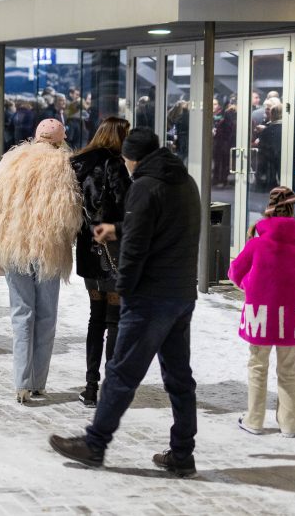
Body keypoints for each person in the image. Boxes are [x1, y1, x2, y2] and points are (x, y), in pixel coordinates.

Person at [50, 128, 202, 478]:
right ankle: (183, 454)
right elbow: (158, 227)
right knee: (180, 379)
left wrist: (126, 290)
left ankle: (95, 444)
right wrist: (117, 229)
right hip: (181, 295)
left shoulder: (144, 187)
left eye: (126, 160)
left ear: (133, 158)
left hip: (149, 298)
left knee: (120, 374)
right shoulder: (184, 182)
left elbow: (135, 250)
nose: (126, 165)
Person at [0, 119, 80, 403]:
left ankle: (21, 383)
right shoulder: (63, 164)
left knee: (21, 313)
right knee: (46, 315)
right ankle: (38, 382)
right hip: (48, 249)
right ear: (60, 140)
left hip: (14, 246)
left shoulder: (11, 162)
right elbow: (70, 213)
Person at [229, 186, 295, 438]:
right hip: (291, 318)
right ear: (293, 211)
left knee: (258, 366)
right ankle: (290, 424)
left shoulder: (257, 244)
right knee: (288, 370)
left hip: (260, 315)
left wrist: (249, 285)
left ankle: (254, 419)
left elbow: (234, 272)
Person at [70, 117, 132, 407]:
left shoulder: (77, 163)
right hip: (112, 248)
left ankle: (91, 387)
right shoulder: (115, 164)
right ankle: (109, 386)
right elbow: (124, 206)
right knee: (114, 319)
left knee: (96, 318)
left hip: (86, 247)